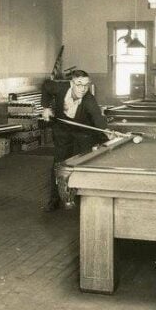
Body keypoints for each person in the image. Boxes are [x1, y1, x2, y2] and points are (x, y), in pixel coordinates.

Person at [41, 70, 108, 211]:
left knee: (83, 164)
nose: (83, 89)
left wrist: (107, 131)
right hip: (63, 130)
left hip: (83, 133)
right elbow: (46, 86)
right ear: (71, 83)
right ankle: (54, 200)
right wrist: (46, 108)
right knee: (59, 165)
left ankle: (83, 199)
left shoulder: (89, 99)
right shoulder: (60, 87)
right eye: (79, 84)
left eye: (86, 85)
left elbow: (97, 118)